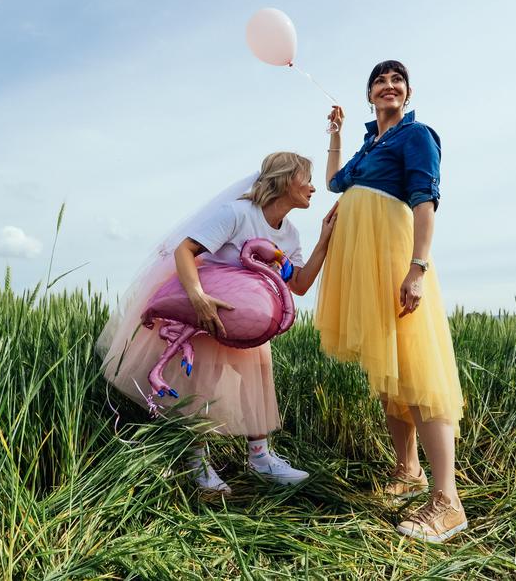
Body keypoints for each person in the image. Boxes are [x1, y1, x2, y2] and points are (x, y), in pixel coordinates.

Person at [99, 152, 337, 494]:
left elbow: (298, 284)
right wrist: (197, 298)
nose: (313, 188)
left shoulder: (290, 234)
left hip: (250, 320)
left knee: (257, 379)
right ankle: (196, 460)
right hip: (212, 312)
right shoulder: (237, 214)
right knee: (203, 385)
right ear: (285, 180)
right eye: (307, 179)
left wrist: (325, 240)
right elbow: (186, 250)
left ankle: (260, 457)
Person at [315, 60, 467, 542]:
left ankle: (448, 501)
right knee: (390, 374)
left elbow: (425, 200)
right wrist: (336, 134)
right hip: (365, 265)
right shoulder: (369, 143)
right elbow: (336, 183)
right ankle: (408, 473)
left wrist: (417, 268)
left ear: (408, 91)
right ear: (369, 95)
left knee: (419, 371)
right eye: (379, 81)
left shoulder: (415, 134)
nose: (388, 86)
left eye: (396, 80)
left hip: (395, 256)